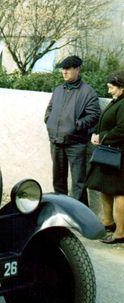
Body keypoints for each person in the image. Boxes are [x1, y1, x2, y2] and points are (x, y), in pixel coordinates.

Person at [44, 55, 100, 204]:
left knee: (78, 183)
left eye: (68, 69)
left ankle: (79, 216)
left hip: (76, 144)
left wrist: (76, 126)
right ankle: (62, 210)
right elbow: (49, 110)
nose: (64, 72)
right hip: (56, 141)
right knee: (58, 180)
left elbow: (94, 115)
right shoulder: (58, 90)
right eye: (63, 69)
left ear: (77, 69)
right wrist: (49, 122)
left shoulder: (88, 92)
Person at [86, 72, 124, 244]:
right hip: (110, 152)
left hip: (119, 155)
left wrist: (102, 137)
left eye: (111, 88)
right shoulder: (118, 101)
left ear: (122, 87)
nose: (109, 91)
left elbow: (122, 128)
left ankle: (120, 232)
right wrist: (98, 134)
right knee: (105, 187)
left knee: (119, 193)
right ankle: (108, 223)